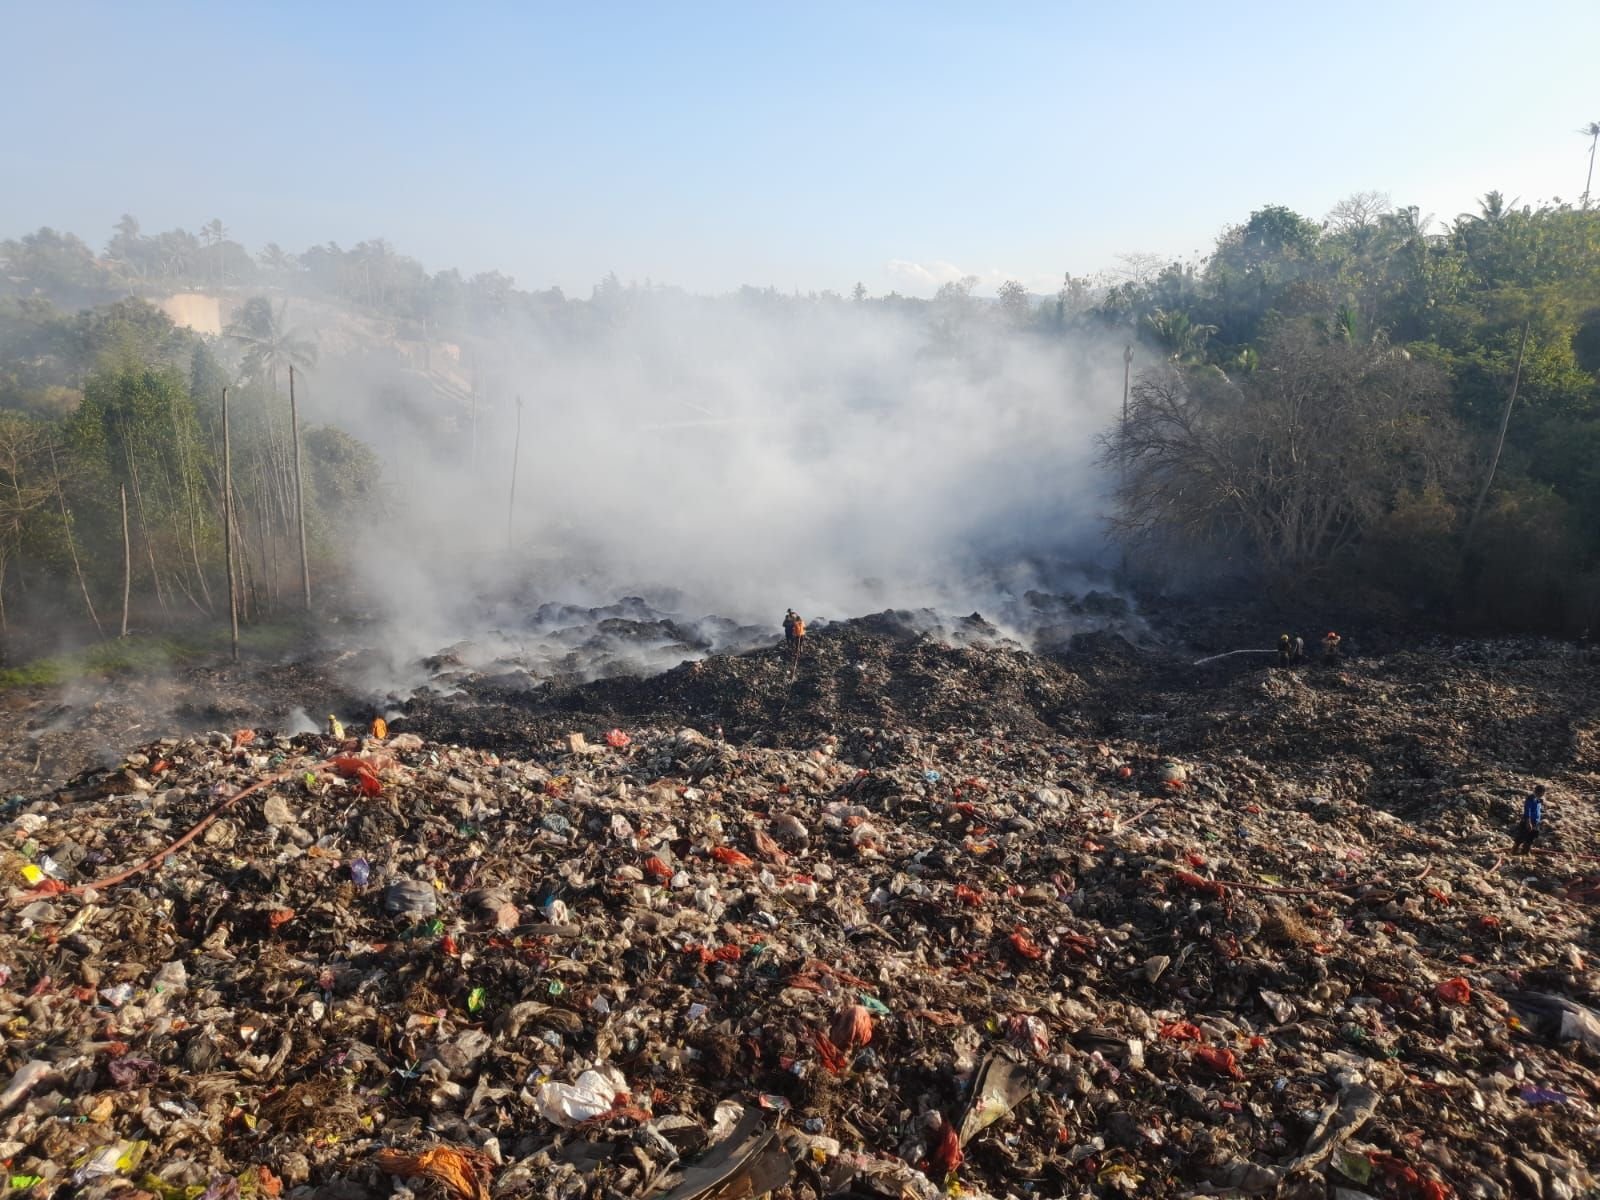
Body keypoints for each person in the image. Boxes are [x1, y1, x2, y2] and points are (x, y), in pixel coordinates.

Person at [1512, 784, 1545, 854]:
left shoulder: (1538, 800)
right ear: (1539, 792)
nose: (1542, 794)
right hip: (1528, 821)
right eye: (1541, 792)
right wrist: (1528, 822)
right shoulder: (1531, 798)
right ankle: (1513, 852)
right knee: (1521, 837)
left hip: (1535, 822)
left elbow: (1537, 811)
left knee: (1530, 839)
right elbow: (1527, 810)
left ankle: (1524, 853)